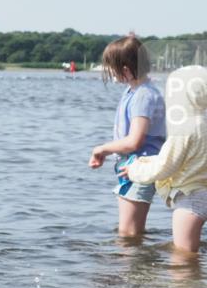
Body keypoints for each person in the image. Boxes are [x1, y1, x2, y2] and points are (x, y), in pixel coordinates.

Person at [121, 65, 207, 253]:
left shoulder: (185, 128)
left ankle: (186, 283)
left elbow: (165, 165)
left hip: (190, 199)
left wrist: (135, 169)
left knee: (183, 256)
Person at [88, 33, 166, 237]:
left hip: (140, 166)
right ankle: (131, 264)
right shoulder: (135, 90)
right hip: (130, 165)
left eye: (113, 71)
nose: (112, 76)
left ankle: (132, 267)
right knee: (126, 231)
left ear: (125, 70)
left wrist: (102, 149)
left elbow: (135, 140)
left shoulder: (144, 95)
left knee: (129, 233)